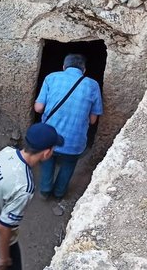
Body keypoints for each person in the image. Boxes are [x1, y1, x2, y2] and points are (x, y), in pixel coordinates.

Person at [0, 123, 63, 270]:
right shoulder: (24, 186)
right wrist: (3, 259)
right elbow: (3, 227)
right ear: (47, 153)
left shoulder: (5, 152)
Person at [34, 54, 103, 200]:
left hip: (49, 137)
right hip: (74, 142)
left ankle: (45, 190)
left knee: (47, 160)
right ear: (84, 70)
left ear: (64, 67)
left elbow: (38, 108)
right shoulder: (93, 85)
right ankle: (59, 193)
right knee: (68, 164)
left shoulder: (51, 78)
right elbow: (93, 120)